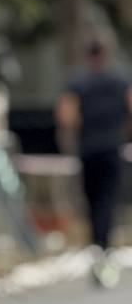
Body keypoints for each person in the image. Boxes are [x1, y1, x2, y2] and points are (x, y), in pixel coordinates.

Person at [54, 39, 132, 288]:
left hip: (88, 147)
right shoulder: (119, 79)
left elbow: (66, 115)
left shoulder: (78, 81)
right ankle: (103, 245)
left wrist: (77, 131)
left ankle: (98, 244)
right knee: (108, 199)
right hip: (112, 146)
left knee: (92, 198)